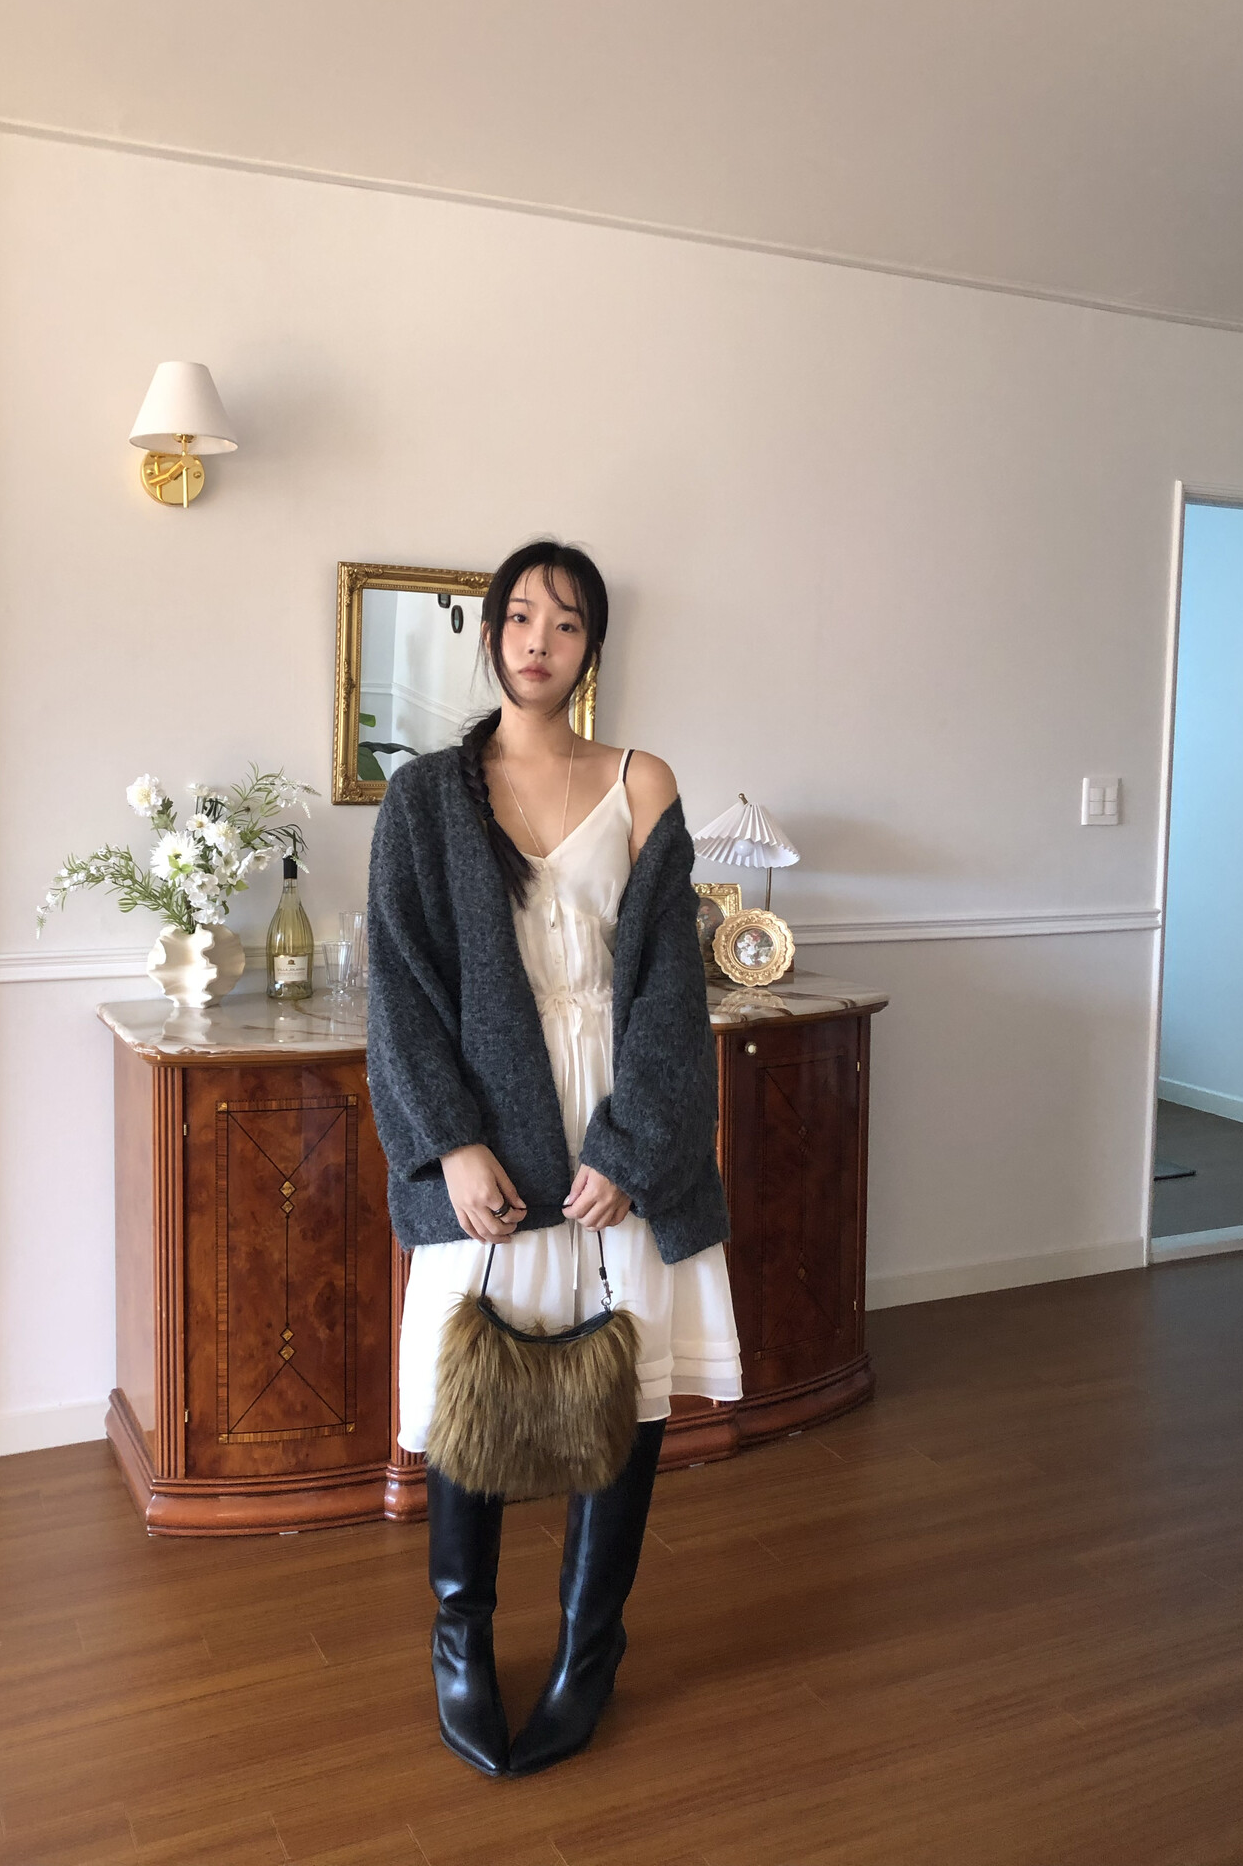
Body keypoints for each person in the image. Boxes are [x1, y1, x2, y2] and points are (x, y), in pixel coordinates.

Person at [364, 539, 742, 1778]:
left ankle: (589, 1650)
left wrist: (634, 1145)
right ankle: (460, 1641)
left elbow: (673, 990)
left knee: (624, 1394)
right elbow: (401, 992)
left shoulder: (643, 780)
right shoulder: (428, 795)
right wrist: (452, 1144)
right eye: (520, 616)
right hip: (492, 1130)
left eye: (566, 622)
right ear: (490, 635)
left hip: (619, 1121)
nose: (539, 639)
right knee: (468, 1388)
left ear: (592, 648)